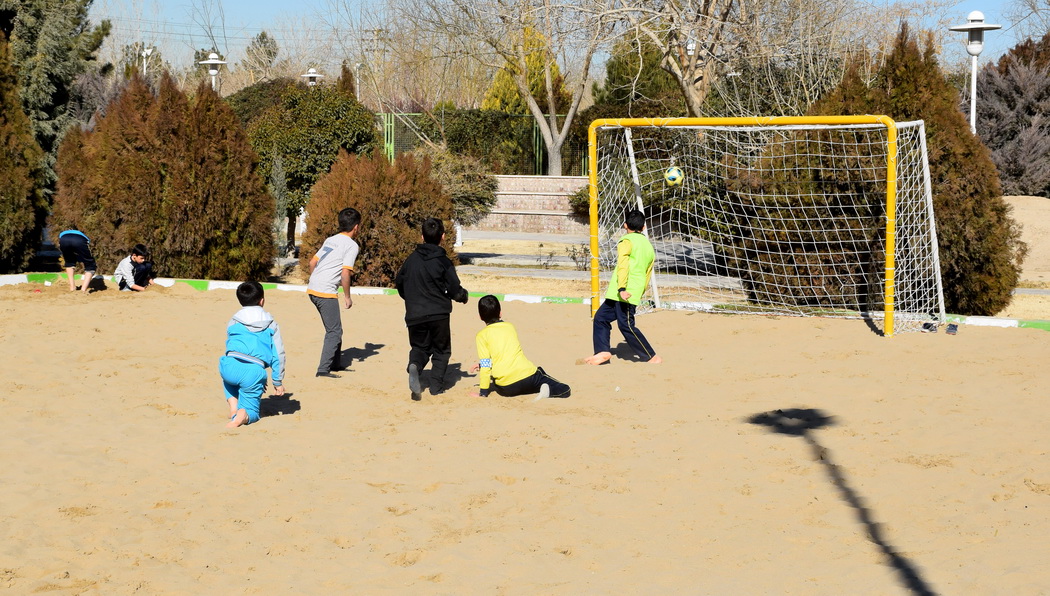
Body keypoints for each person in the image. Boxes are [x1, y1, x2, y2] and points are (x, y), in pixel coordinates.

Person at [394, 217, 469, 401]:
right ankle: (436, 387)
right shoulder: (443, 262)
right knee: (441, 350)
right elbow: (453, 288)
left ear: (421, 236)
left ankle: (415, 365)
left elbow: (400, 283)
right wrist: (462, 296)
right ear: (443, 237)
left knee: (420, 347)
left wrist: (411, 300)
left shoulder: (411, 260)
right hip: (439, 314)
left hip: (415, 314)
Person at [585, 209, 662, 365]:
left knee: (626, 324)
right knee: (600, 318)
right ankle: (603, 352)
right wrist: (640, 291)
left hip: (624, 291)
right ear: (644, 227)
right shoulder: (648, 245)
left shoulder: (626, 241)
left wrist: (622, 289)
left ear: (625, 225)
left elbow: (623, 265)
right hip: (621, 292)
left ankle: (651, 356)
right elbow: (648, 272)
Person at [469, 295, 570, 399]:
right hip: (528, 379)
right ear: (500, 313)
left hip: (506, 388)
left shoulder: (481, 335)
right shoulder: (510, 327)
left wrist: (483, 393)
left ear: (480, 317)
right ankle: (547, 391)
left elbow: (488, 364)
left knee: (503, 379)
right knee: (564, 389)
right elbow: (507, 352)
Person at [219, 281, 286, 428]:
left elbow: (230, 343)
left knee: (229, 378)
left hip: (228, 364)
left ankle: (233, 406)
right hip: (253, 371)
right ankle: (241, 416)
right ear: (262, 300)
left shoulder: (234, 320)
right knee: (253, 412)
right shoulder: (271, 323)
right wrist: (277, 381)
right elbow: (278, 354)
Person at [307, 207, 360, 378]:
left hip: (313, 287)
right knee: (334, 331)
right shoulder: (351, 245)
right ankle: (323, 369)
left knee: (335, 327)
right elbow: (345, 273)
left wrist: (317, 278)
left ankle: (335, 364)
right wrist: (347, 297)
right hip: (325, 291)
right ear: (356, 227)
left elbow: (311, 263)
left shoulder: (331, 240)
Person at [58, 229, 97, 293]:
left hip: (63, 239)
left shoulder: (64, 232)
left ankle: (72, 287)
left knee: (69, 262)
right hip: (79, 240)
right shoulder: (84, 236)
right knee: (90, 265)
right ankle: (83, 290)